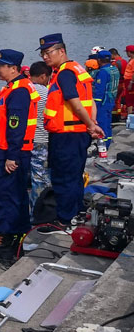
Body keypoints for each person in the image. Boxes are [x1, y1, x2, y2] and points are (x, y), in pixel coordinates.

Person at [39, 33, 104, 230]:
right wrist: (91, 123)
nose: (45, 57)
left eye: (48, 52)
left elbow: (75, 103)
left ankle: (64, 220)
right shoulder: (78, 69)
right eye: (43, 53)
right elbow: (90, 101)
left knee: (63, 178)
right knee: (74, 176)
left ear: (62, 51)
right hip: (78, 133)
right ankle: (75, 214)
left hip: (66, 135)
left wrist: (91, 125)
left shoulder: (65, 73)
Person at [0, 49, 38, 264]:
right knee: (15, 198)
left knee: (5, 199)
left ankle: (6, 246)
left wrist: (12, 156)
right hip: (9, 150)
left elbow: (16, 125)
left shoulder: (19, 91)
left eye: (0, 65)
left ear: (13, 68)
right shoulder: (14, 87)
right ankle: (14, 242)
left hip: (10, 153)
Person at [27, 62, 52, 212]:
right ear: (43, 76)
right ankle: (37, 212)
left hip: (25, 140)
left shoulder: (24, 90)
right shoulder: (47, 92)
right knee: (40, 177)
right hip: (41, 139)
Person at [90, 48, 118, 151]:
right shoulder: (114, 69)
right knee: (108, 122)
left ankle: (103, 146)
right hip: (111, 100)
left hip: (103, 102)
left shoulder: (103, 72)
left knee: (101, 123)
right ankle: (108, 141)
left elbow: (99, 90)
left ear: (99, 60)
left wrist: (95, 106)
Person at [110, 48, 127, 118]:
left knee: (116, 99)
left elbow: (113, 74)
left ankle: (115, 115)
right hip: (124, 83)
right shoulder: (124, 61)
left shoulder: (115, 63)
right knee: (120, 99)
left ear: (113, 54)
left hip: (118, 83)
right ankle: (120, 113)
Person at [125, 45, 134, 116]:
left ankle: (130, 115)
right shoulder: (131, 60)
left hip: (130, 80)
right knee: (128, 99)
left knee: (130, 99)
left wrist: (131, 82)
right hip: (127, 80)